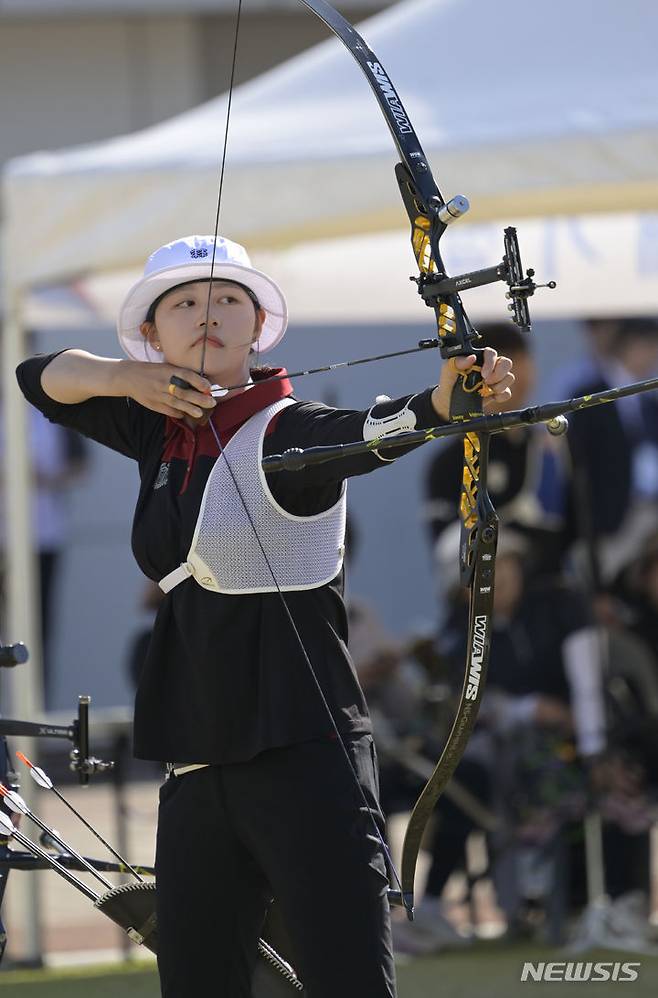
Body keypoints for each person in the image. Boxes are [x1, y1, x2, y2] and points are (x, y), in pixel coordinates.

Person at [15, 234, 515, 998]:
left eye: (226, 300)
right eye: (181, 303)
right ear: (153, 334)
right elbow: (39, 379)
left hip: (303, 754)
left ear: (258, 326)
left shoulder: (290, 430)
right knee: (198, 980)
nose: (205, 313)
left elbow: (372, 434)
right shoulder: (156, 428)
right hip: (196, 760)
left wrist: (447, 401)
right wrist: (127, 378)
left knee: (345, 978)